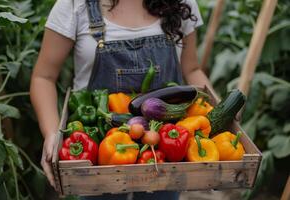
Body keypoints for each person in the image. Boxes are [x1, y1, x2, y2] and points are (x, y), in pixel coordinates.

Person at [30, 0, 213, 199]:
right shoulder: (75, 5)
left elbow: (192, 69)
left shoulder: (181, 3)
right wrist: (51, 134)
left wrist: (220, 106)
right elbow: (44, 77)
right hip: (95, 150)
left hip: (164, 150)